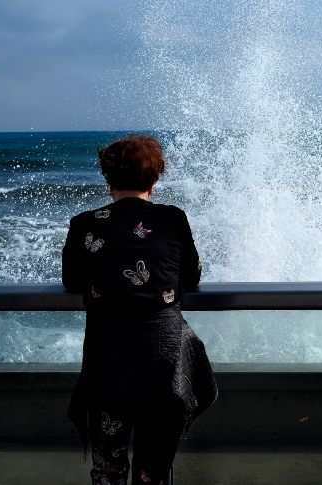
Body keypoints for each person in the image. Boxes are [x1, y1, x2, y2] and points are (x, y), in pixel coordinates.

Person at [62, 134, 218, 485]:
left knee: (109, 469)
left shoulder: (84, 224)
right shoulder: (172, 219)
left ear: (108, 178)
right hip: (162, 357)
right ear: (155, 179)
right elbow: (191, 277)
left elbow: (71, 280)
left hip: (108, 358)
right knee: (153, 472)